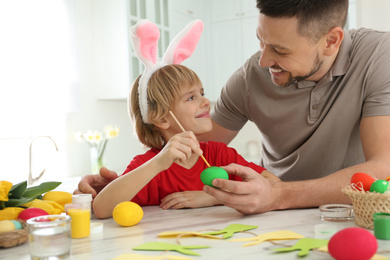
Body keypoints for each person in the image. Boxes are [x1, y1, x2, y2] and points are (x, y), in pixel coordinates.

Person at [76, 0, 390, 215]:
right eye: (261, 41)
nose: (264, 61)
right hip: (269, 215)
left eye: (279, 49)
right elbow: (187, 145)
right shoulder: (251, 74)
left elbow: (383, 166)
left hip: (354, 213)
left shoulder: (379, 57)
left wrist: (278, 196)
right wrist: (118, 185)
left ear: (331, 41)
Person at [92, 20, 278, 219]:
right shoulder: (149, 165)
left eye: (202, 93)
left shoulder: (219, 155)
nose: (206, 101)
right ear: (162, 119)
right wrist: (157, 164)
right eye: (191, 97)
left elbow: (273, 185)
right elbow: (102, 208)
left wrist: (215, 197)